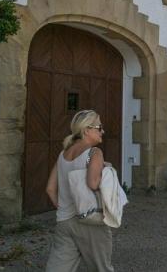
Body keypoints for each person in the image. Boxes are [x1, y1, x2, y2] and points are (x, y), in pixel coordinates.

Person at [45, 109, 114, 272]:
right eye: (99, 127)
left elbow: (49, 189)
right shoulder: (94, 152)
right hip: (90, 220)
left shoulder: (63, 154)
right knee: (101, 268)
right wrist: (106, 171)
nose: (102, 131)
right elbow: (93, 183)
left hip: (64, 222)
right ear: (86, 130)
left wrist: (62, 207)